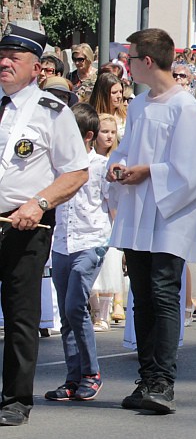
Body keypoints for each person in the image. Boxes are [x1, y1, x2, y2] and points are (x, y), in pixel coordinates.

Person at [107, 28, 196, 416]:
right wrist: (117, 165)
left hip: (169, 214)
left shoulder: (184, 107)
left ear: (148, 61)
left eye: (130, 58)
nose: (127, 64)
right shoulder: (138, 106)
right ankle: (146, 374)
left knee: (163, 292)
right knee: (142, 296)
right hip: (139, 211)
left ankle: (162, 382)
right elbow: (124, 148)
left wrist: (149, 172)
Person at [0, 25, 91, 425]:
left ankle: (15, 399)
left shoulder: (52, 113)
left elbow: (75, 173)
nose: (4, 63)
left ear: (36, 68)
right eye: (1, 56)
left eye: (13, 58)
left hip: (24, 226)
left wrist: (39, 204)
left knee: (21, 316)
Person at [44, 103, 110, 403]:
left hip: (90, 241)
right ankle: (73, 377)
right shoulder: (57, 165)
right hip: (61, 243)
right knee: (67, 315)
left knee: (74, 306)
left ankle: (92, 373)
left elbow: (112, 203)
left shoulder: (100, 166)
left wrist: (112, 242)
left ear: (87, 135)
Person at [90, 113, 124, 329]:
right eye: (104, 132)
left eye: (112, 132)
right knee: (96, 273)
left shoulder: (116, 160)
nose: (109, 136)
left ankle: (105, 312)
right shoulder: (91, 160)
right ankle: (96, 314)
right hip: (96, 219)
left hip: (111, 220)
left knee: (110, 268)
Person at [88, 71, 128, 138]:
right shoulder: (90, 119)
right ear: (102, 95)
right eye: (114, 92)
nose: (119, 96)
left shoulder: (127, 115)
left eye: (120, 92)